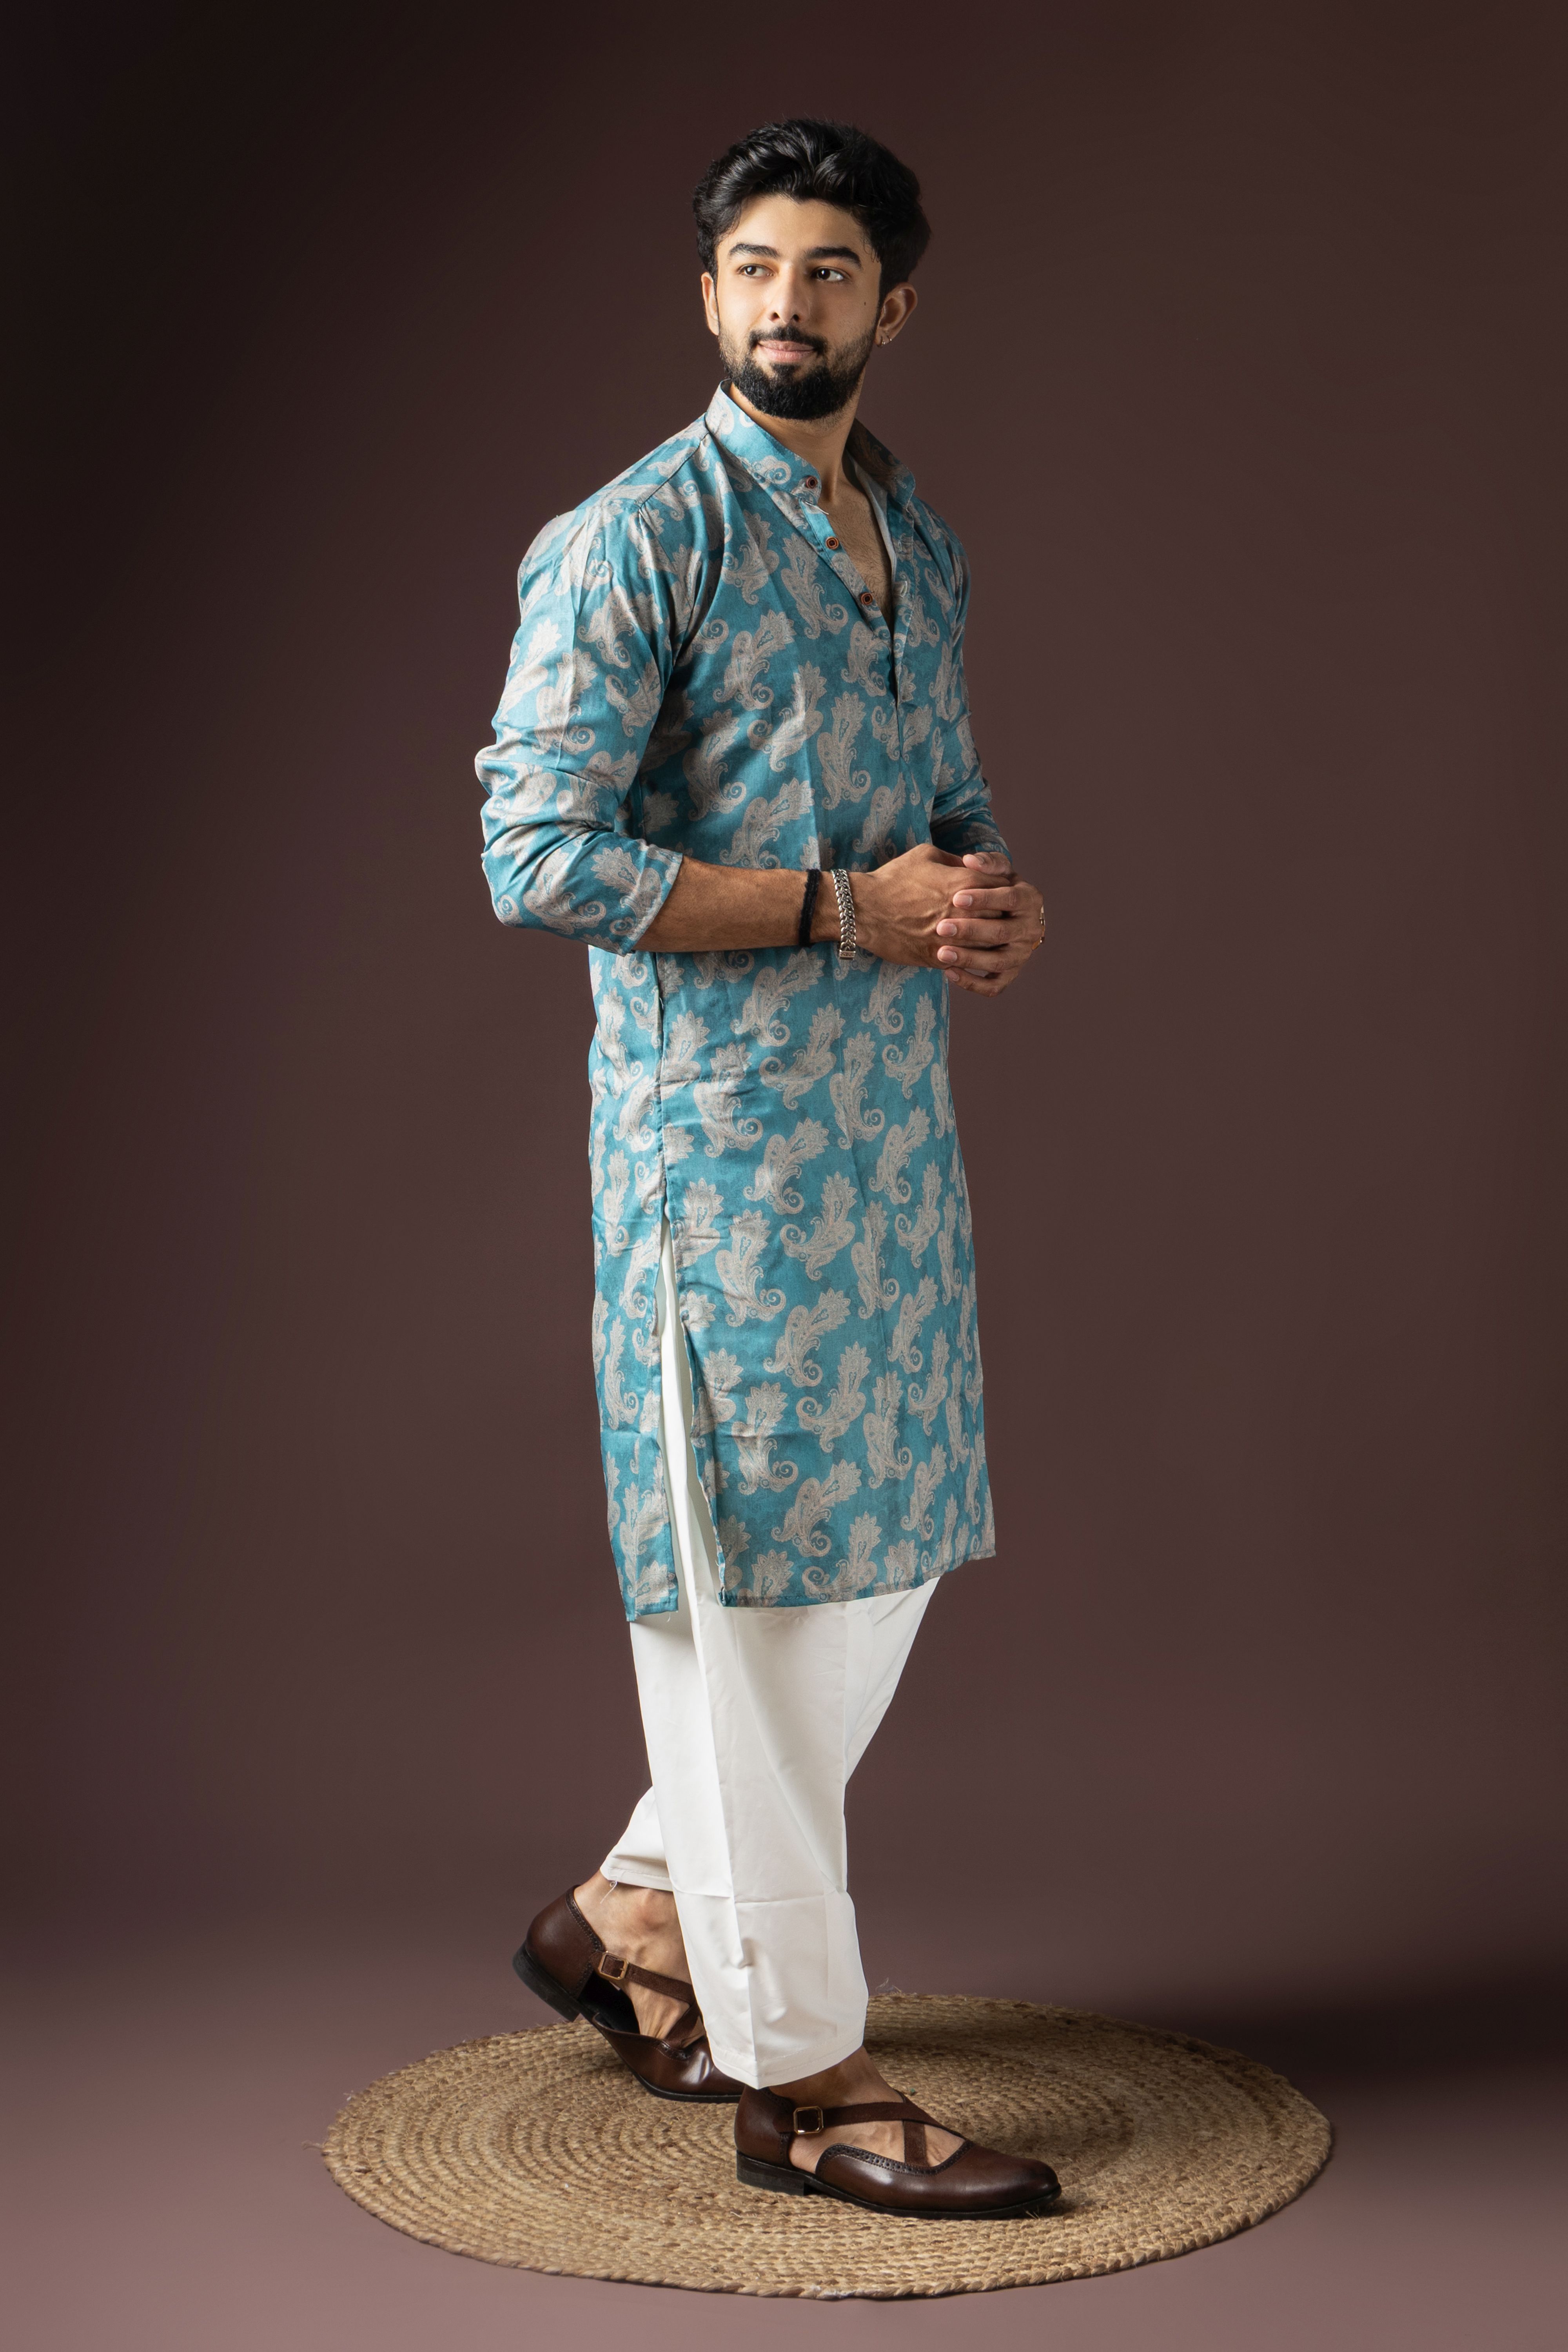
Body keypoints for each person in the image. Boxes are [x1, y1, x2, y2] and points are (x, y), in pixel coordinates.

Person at [476, 118, 1055, 2219]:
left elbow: (951, 804)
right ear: (706, 294)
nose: (785, 303)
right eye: (751, 267)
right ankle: (806, 2082)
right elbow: (535, 852)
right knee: (738, 1598)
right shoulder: (637, 538)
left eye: (826, 270)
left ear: (895, 305)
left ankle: (631, 1918)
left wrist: (991, 903)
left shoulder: (919, 542)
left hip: (887, 1149)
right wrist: (836, 909)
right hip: (717, 1171)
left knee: (874, 1563)